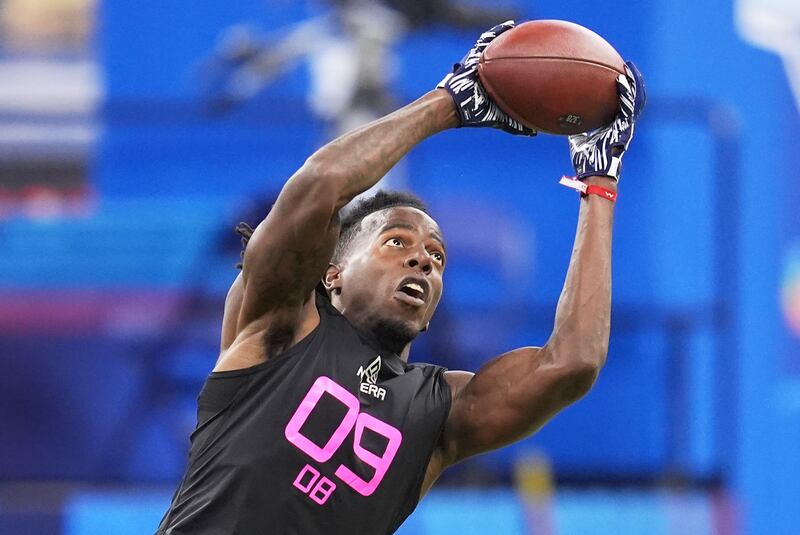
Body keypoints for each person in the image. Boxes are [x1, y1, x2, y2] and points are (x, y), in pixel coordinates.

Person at [156, 20, 646, 535]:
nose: (423, 260)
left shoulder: (437, 415)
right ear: (332, 273)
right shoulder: (279, 324)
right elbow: (322, 183)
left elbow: (572, 363)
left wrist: (599, 182)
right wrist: (450, 104)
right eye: (396, 242)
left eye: (437, 256)